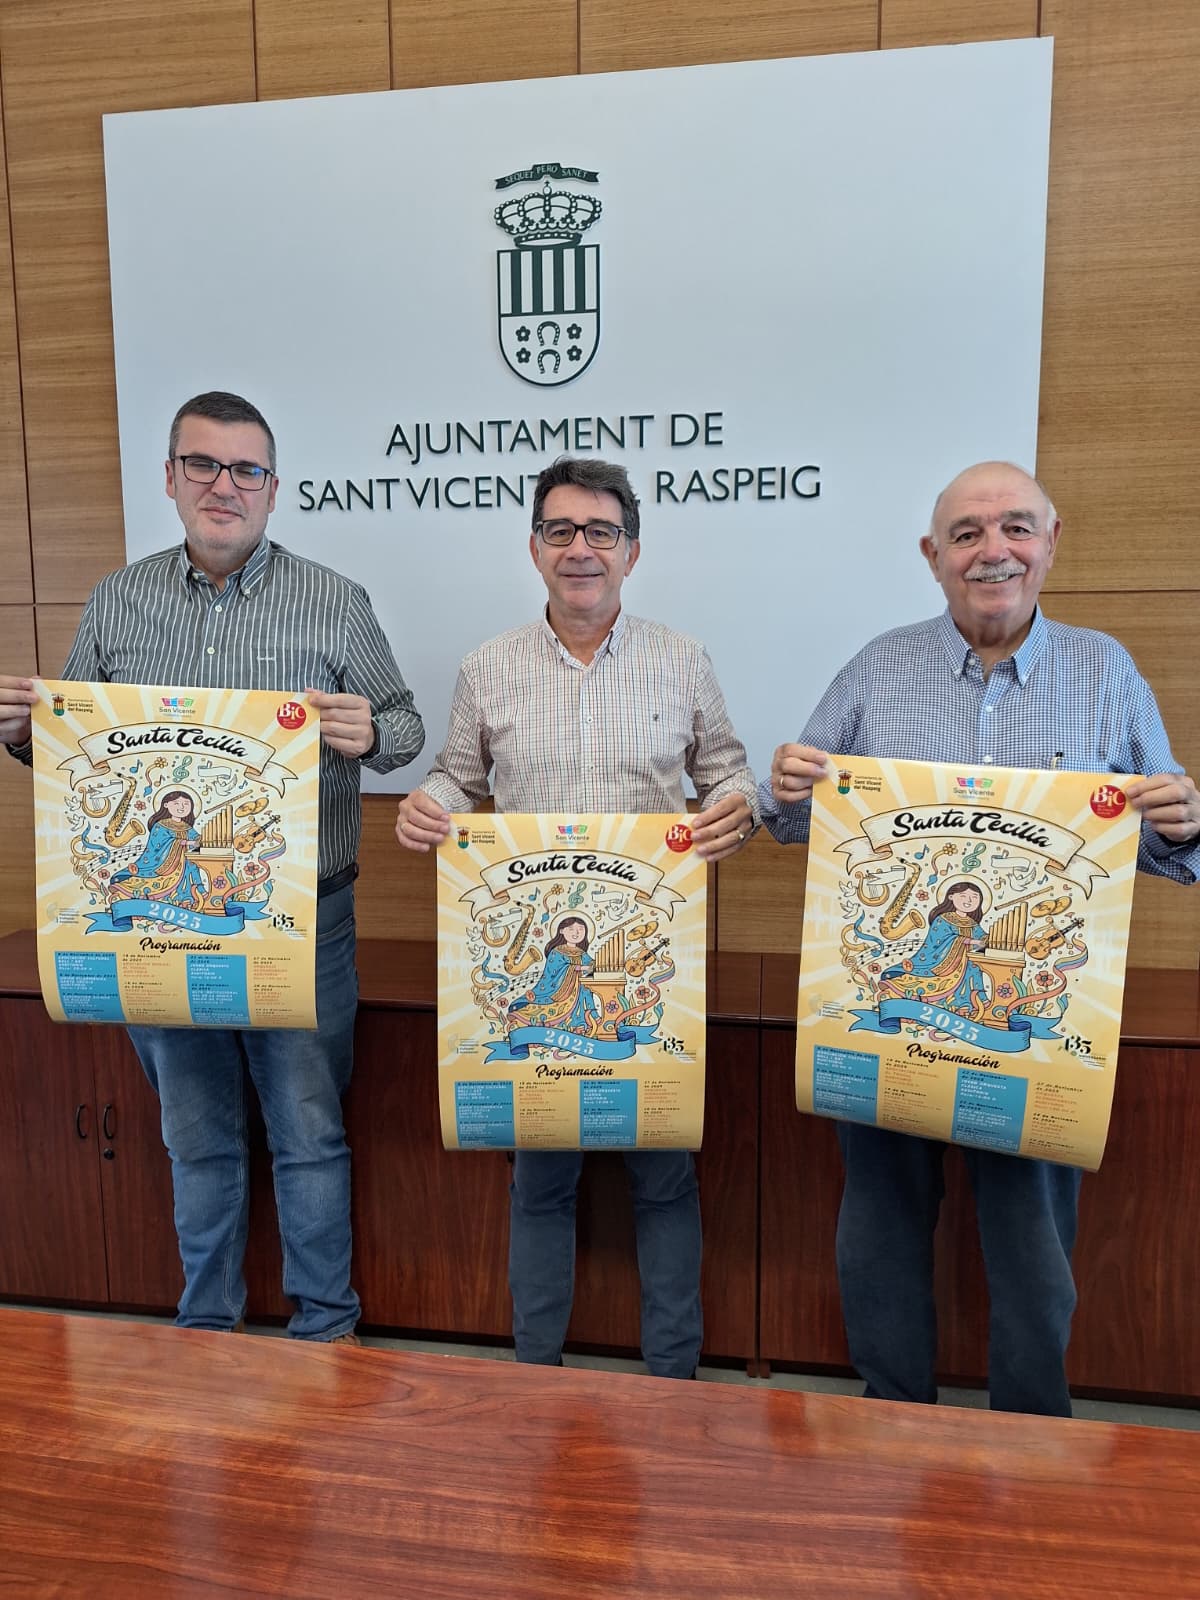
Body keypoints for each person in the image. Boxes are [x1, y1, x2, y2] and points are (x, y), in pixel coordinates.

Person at [764, 460, 1200, 1416]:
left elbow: (1166, 844)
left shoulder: (1106, 671)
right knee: (879, 1230)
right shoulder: (877, 667)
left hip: (1029, 1032)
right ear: (934, 555)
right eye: (966, 534)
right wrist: (786, 786)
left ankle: (1033, 1431)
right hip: (894, 1025)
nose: (992, 550)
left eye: (1015, 528)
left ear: (1051, 542)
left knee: (1033, 1245)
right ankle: (892, 1413)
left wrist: (1181, 820)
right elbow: (794, 820)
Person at [1, 390, 424, 1342]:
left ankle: (327, 1330)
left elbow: (405, 727)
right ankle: (207, 1333)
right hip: (161, 926)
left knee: (308, 1133)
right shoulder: (118, 601)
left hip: (303, 922)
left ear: (273, 487)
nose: (223, 486)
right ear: (170, 477)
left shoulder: (335, 600)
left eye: (245, 470)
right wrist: (27, 734)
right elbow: (77, 754)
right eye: (203, 465)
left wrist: (370, 733)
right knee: (194, 1136)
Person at [396, 455, 757, 1380]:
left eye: (601, 532)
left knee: (664, 1180)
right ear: (534, 549)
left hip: (646, 965)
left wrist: (735, 809)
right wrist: (428, 806)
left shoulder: (683, 660)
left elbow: (727, 772)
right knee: (541, 1184)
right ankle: (534, 1378)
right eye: (560, 531)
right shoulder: (488, 667)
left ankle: (673, 1378)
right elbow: (456, 777)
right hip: (539, 960)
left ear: (632, 551)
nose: (580, 549)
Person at [877, 880, 988, 1017]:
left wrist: (987, 939)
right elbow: (938, 940)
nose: (969, 901)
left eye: (974, 897)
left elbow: (982, 938)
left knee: (975, 967)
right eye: (963, 896)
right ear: (951, 897)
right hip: (940, 962)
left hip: (966, 962)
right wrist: (966, 941)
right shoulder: (943, 919)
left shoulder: (972, 923)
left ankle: (973, 1003)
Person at [109, 789, 206, 907]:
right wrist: (184, 843)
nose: (181, 807)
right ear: (166, 805)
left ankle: (194, 894)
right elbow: (158, 844)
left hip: (185, 863)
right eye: (176, 803)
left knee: (192, 863)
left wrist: (201, 840)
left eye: (186, 804)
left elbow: (197, 838)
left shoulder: (186, 827)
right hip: (161, 863)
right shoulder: (160, 825)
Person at [507, 916, 601, 1033]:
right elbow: (553, 971)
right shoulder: (556, 952)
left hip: (579, 990)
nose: (576, 933)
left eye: (581, 929)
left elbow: (592, 964)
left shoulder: (581, 953)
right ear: (561, 930)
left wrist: (595, 965)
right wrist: (578, 968)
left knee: (586, 989)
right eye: (571, 929)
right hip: (557, 990)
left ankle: (586, 1019)